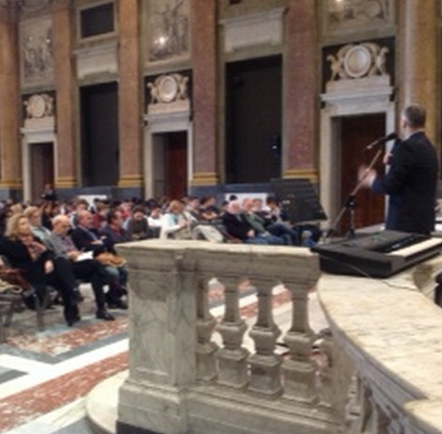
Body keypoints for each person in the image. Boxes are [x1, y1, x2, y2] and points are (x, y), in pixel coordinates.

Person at [359, 103, 438, 234]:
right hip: (423, 222)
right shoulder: (429, 147)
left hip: (404, 225)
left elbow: (390, 186)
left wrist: (372, 180)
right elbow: (415, 173)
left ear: (404, 123)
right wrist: (394, 161)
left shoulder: (405, 147)